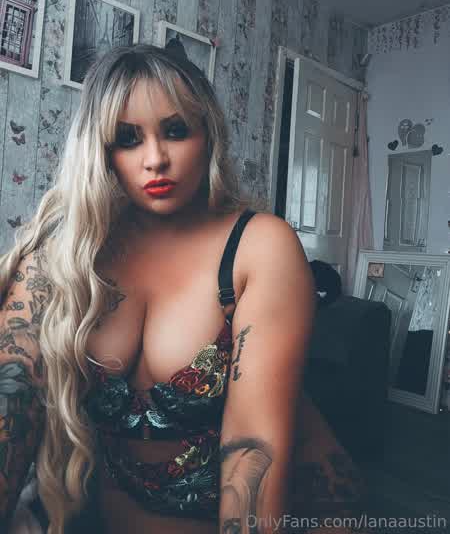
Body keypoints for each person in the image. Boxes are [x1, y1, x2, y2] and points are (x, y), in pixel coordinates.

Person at [0, 44, 365, 534]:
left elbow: (250, 454)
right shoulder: (70, 251)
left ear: (208, 134)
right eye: (127, 138)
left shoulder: (259, 246)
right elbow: (12, 392)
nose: (155, 159)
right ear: (100, 150)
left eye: (175, 131)